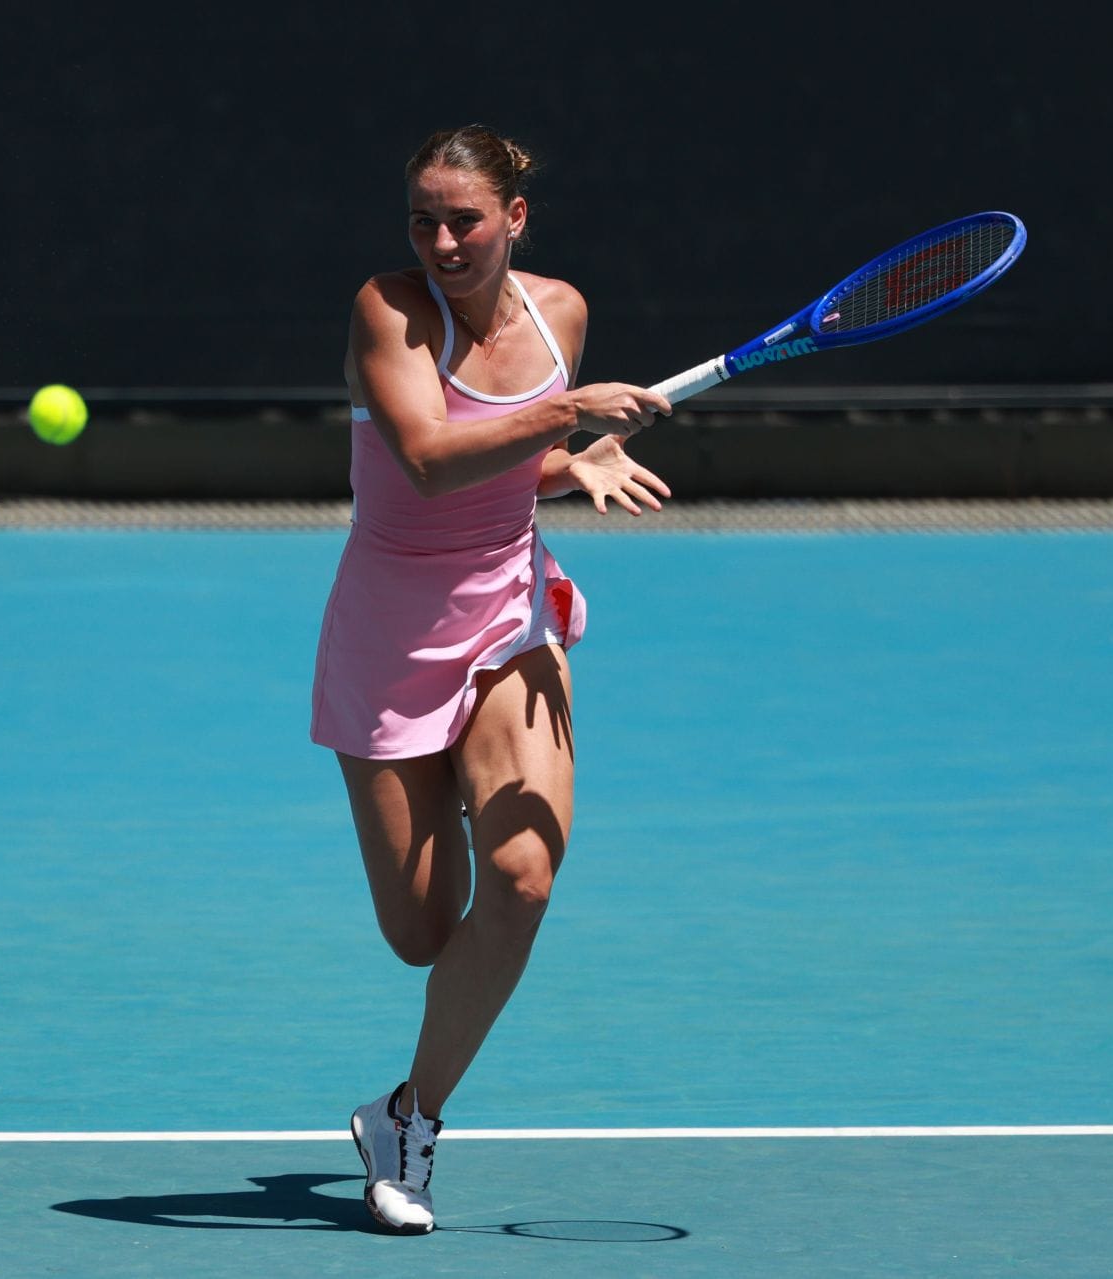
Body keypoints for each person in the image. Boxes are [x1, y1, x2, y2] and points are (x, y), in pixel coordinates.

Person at [309, 124, 672, 1235]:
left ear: (515, 219)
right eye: (423, 218)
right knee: (425, 930)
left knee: (521, 876)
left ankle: (411, 1119)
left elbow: (513, 462)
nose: (442, 239)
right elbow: (423, 457)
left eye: (464, 218)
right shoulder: (388, 308)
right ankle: (396, 1102)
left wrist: (570, 464)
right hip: (388, 630)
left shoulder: (561, 315)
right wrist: (568, 421)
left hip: (510, 614)